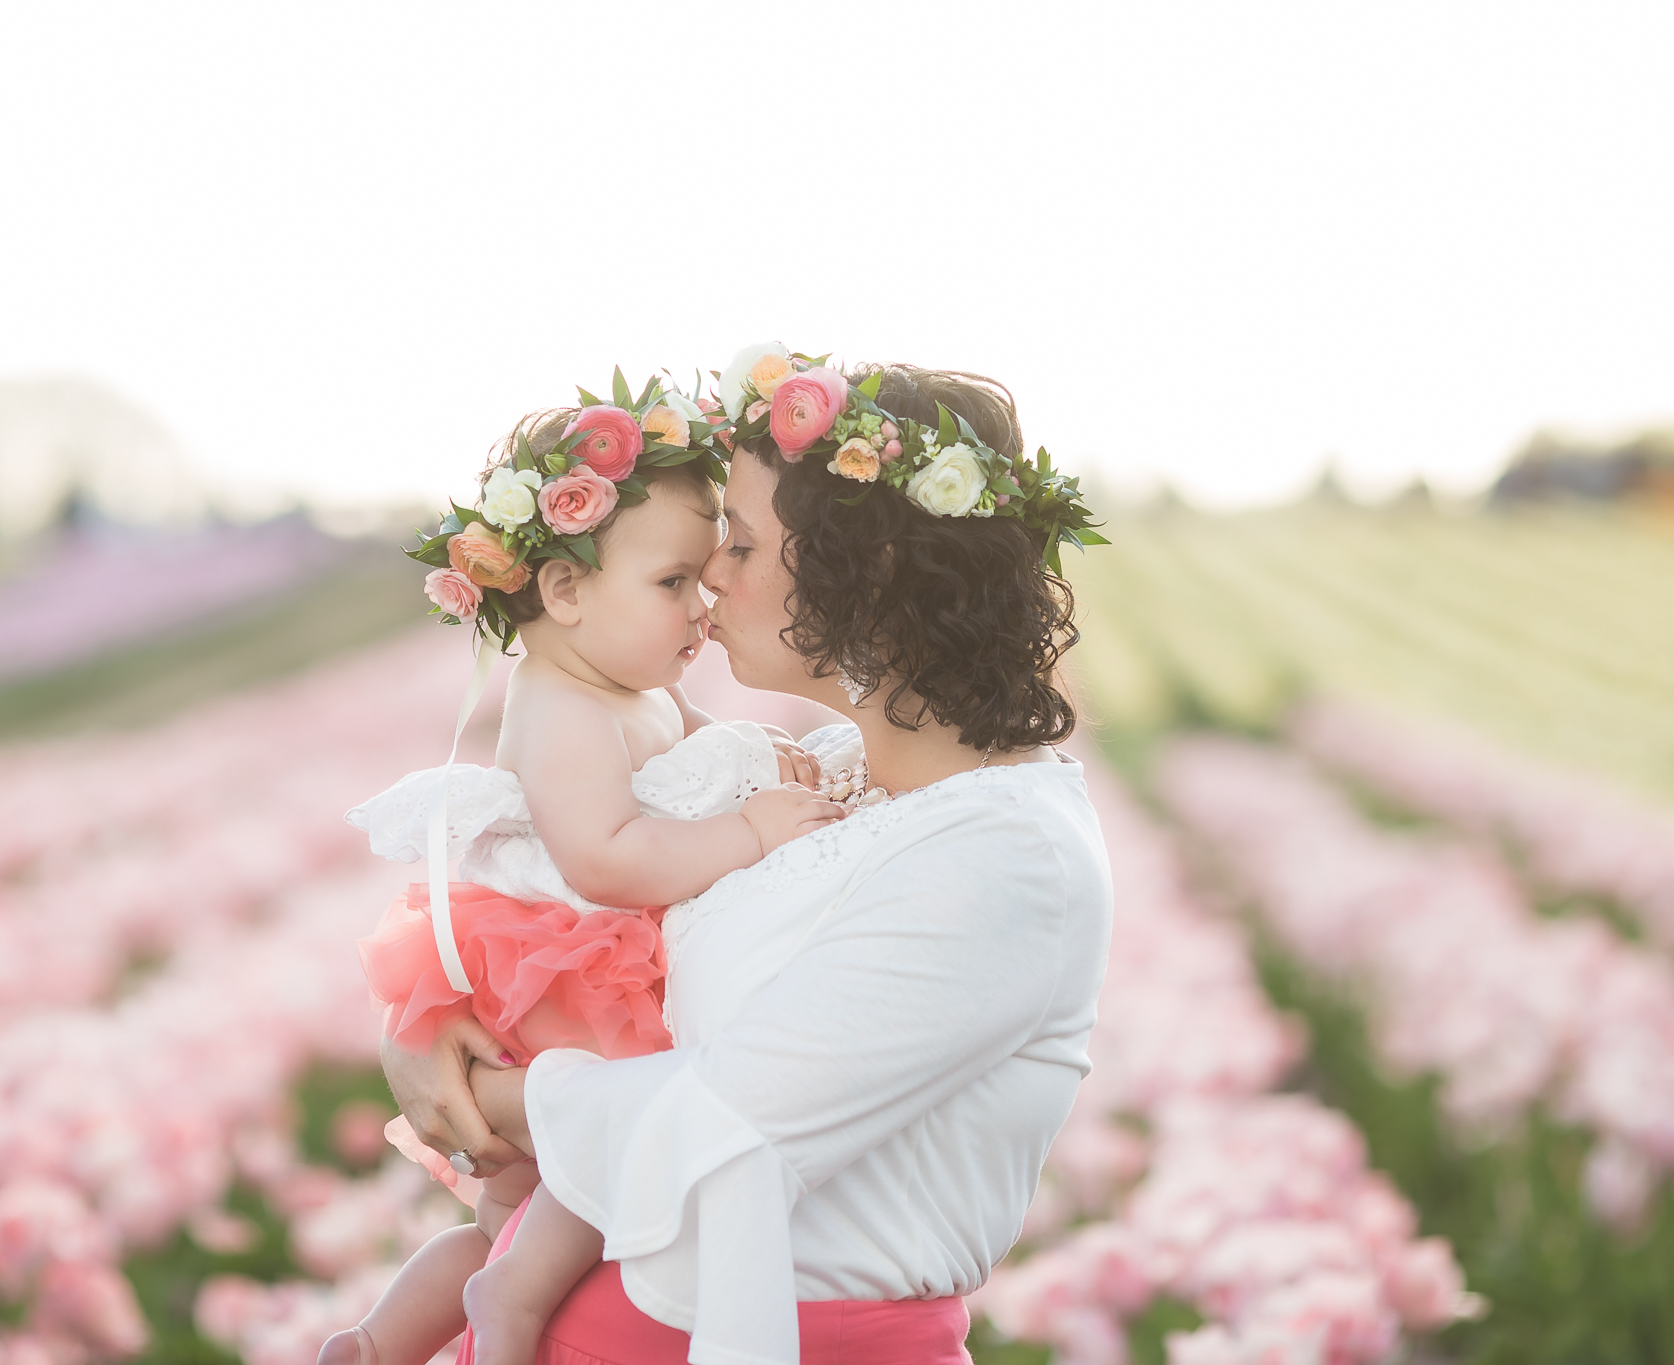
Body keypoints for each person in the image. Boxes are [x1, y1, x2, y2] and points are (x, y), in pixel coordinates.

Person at [365, 347, 1114, 1365]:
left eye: (745, 544)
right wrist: (432, 1031)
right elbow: (605, 936)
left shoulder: (1006, 856)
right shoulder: (834, 771)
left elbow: (721, 1125)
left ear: (869, 573)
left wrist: (463, 1090)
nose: (713, 576)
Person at [329, 378, 844, 1365]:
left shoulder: (634, 690)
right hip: (565, 963)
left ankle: (377, 1340)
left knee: (510, 1209)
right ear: (563, 591)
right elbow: (606, 857)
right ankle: (511, 1307)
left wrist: (758, 770)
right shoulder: (564, 708)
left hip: (581, 955)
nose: (701, 608)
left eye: (704, 580)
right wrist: (751, 832)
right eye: (670, 583)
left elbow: (698, 764)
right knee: (592, 1158)